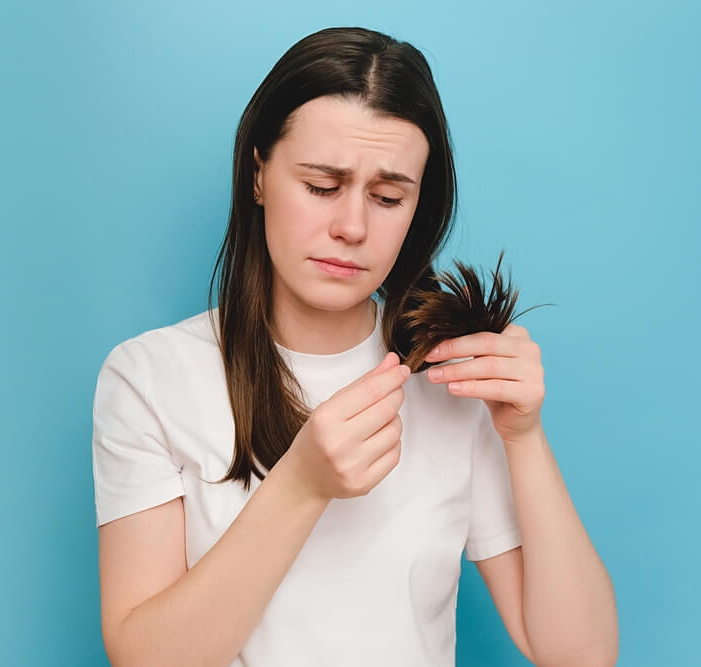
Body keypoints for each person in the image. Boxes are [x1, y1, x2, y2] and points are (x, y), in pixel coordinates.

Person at [92, 26, 618, 667]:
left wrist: (525, 437)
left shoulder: (450, 377)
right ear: (259, 176)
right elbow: (145, 658)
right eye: (320, 186)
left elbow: (580, 656)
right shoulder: (149, 378)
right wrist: (301, 486)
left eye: (388, 197)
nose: (351, 227)